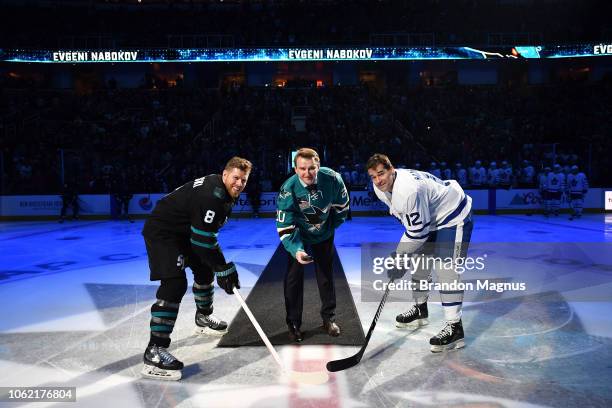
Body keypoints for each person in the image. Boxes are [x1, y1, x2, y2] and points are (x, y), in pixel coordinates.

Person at [140, 157, 251, 381]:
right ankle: (154, 350)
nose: (239, 183)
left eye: (244, 180)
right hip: (164, 232)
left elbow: (204, 237)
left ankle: (203, 318)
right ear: (225, 174)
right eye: (236, 178)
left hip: (184, 232)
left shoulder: (222, 190)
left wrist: (218, 266)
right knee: (174, 283)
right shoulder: (213, 196)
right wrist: (224, 267)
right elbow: (203, 241)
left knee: (204, 269)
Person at [366, 153, 473, 353]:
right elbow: (409, 223)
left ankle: (455, 327)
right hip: (431, 219)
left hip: (453, 216)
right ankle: (420, 309)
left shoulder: (408, 190)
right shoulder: (380, 188)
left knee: (446, 269)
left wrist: (399, 256)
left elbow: (417, 232)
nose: (378, 180)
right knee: (419, 264)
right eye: (373, 176)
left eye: (381, 173)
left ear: (392, 170)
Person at [276, 148, 350, 342]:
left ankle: (328, 319)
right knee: (293, 279)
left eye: (311, 168)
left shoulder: (333, 179)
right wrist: (296, 249)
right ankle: (293, 323)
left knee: (326, 275)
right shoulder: (288, 189)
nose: (307, 173)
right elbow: (284, 224)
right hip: (299, 235)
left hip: (324, 235)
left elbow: (342, 208)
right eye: (302, 168)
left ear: (318, 165)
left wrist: (328, 228)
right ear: (295, 169)